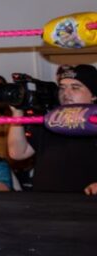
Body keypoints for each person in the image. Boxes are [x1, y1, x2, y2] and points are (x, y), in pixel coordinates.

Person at [7, 64, 97, 194]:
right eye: (62, 88)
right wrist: (18, 112)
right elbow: (17, 153)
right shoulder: (50, 118)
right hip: (45, 203)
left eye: (75, 88)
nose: (66, 93)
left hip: (84, 205)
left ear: (94, 95)